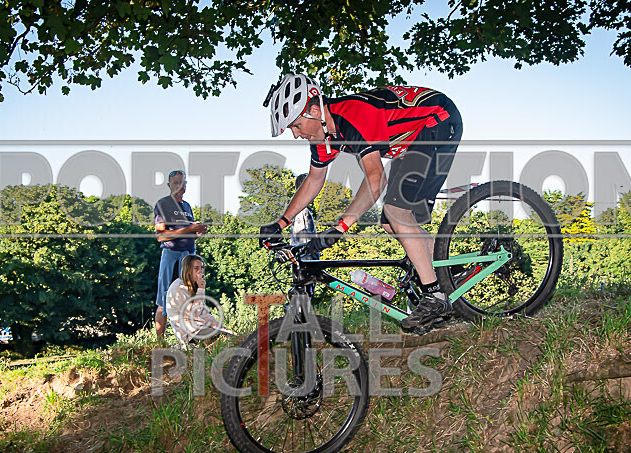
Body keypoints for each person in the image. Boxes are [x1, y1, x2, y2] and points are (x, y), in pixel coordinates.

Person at [260, 74, 463, 333]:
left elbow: (375, 179)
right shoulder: (326, 136)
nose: (296, 135)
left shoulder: (353, 114)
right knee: (391, 223)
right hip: (409, 141)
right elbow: (314, 180)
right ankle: (447, 271)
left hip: (438, 120)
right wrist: (280, 222)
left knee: (396, 213)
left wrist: (341, 227)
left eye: (297, 126)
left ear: (313, 110)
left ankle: (435, 297)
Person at [154, 170, 208, 339]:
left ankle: (189, 340)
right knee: (165, 299)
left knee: (190, 298)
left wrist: (198, 232)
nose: (180, 186)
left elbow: (188, 234)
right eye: (176, 183)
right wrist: (189, 229)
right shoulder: (163, 204)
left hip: (189, 256)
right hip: (172, 255)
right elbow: (160, 235)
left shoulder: (187, 206)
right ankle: (159, 342)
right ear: (169, 185)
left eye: (182, 183)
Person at [166, 254, 233, 348]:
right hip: (191, 333)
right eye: (196, 268)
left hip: (201, 327)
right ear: (187, 269)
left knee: (232, 337)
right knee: (227, 340)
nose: (200, 271)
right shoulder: (178, 288)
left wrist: (223, 328)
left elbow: (204, 314)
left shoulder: (193, 286)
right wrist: (201, 289)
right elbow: (194, 312)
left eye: (201, 268)